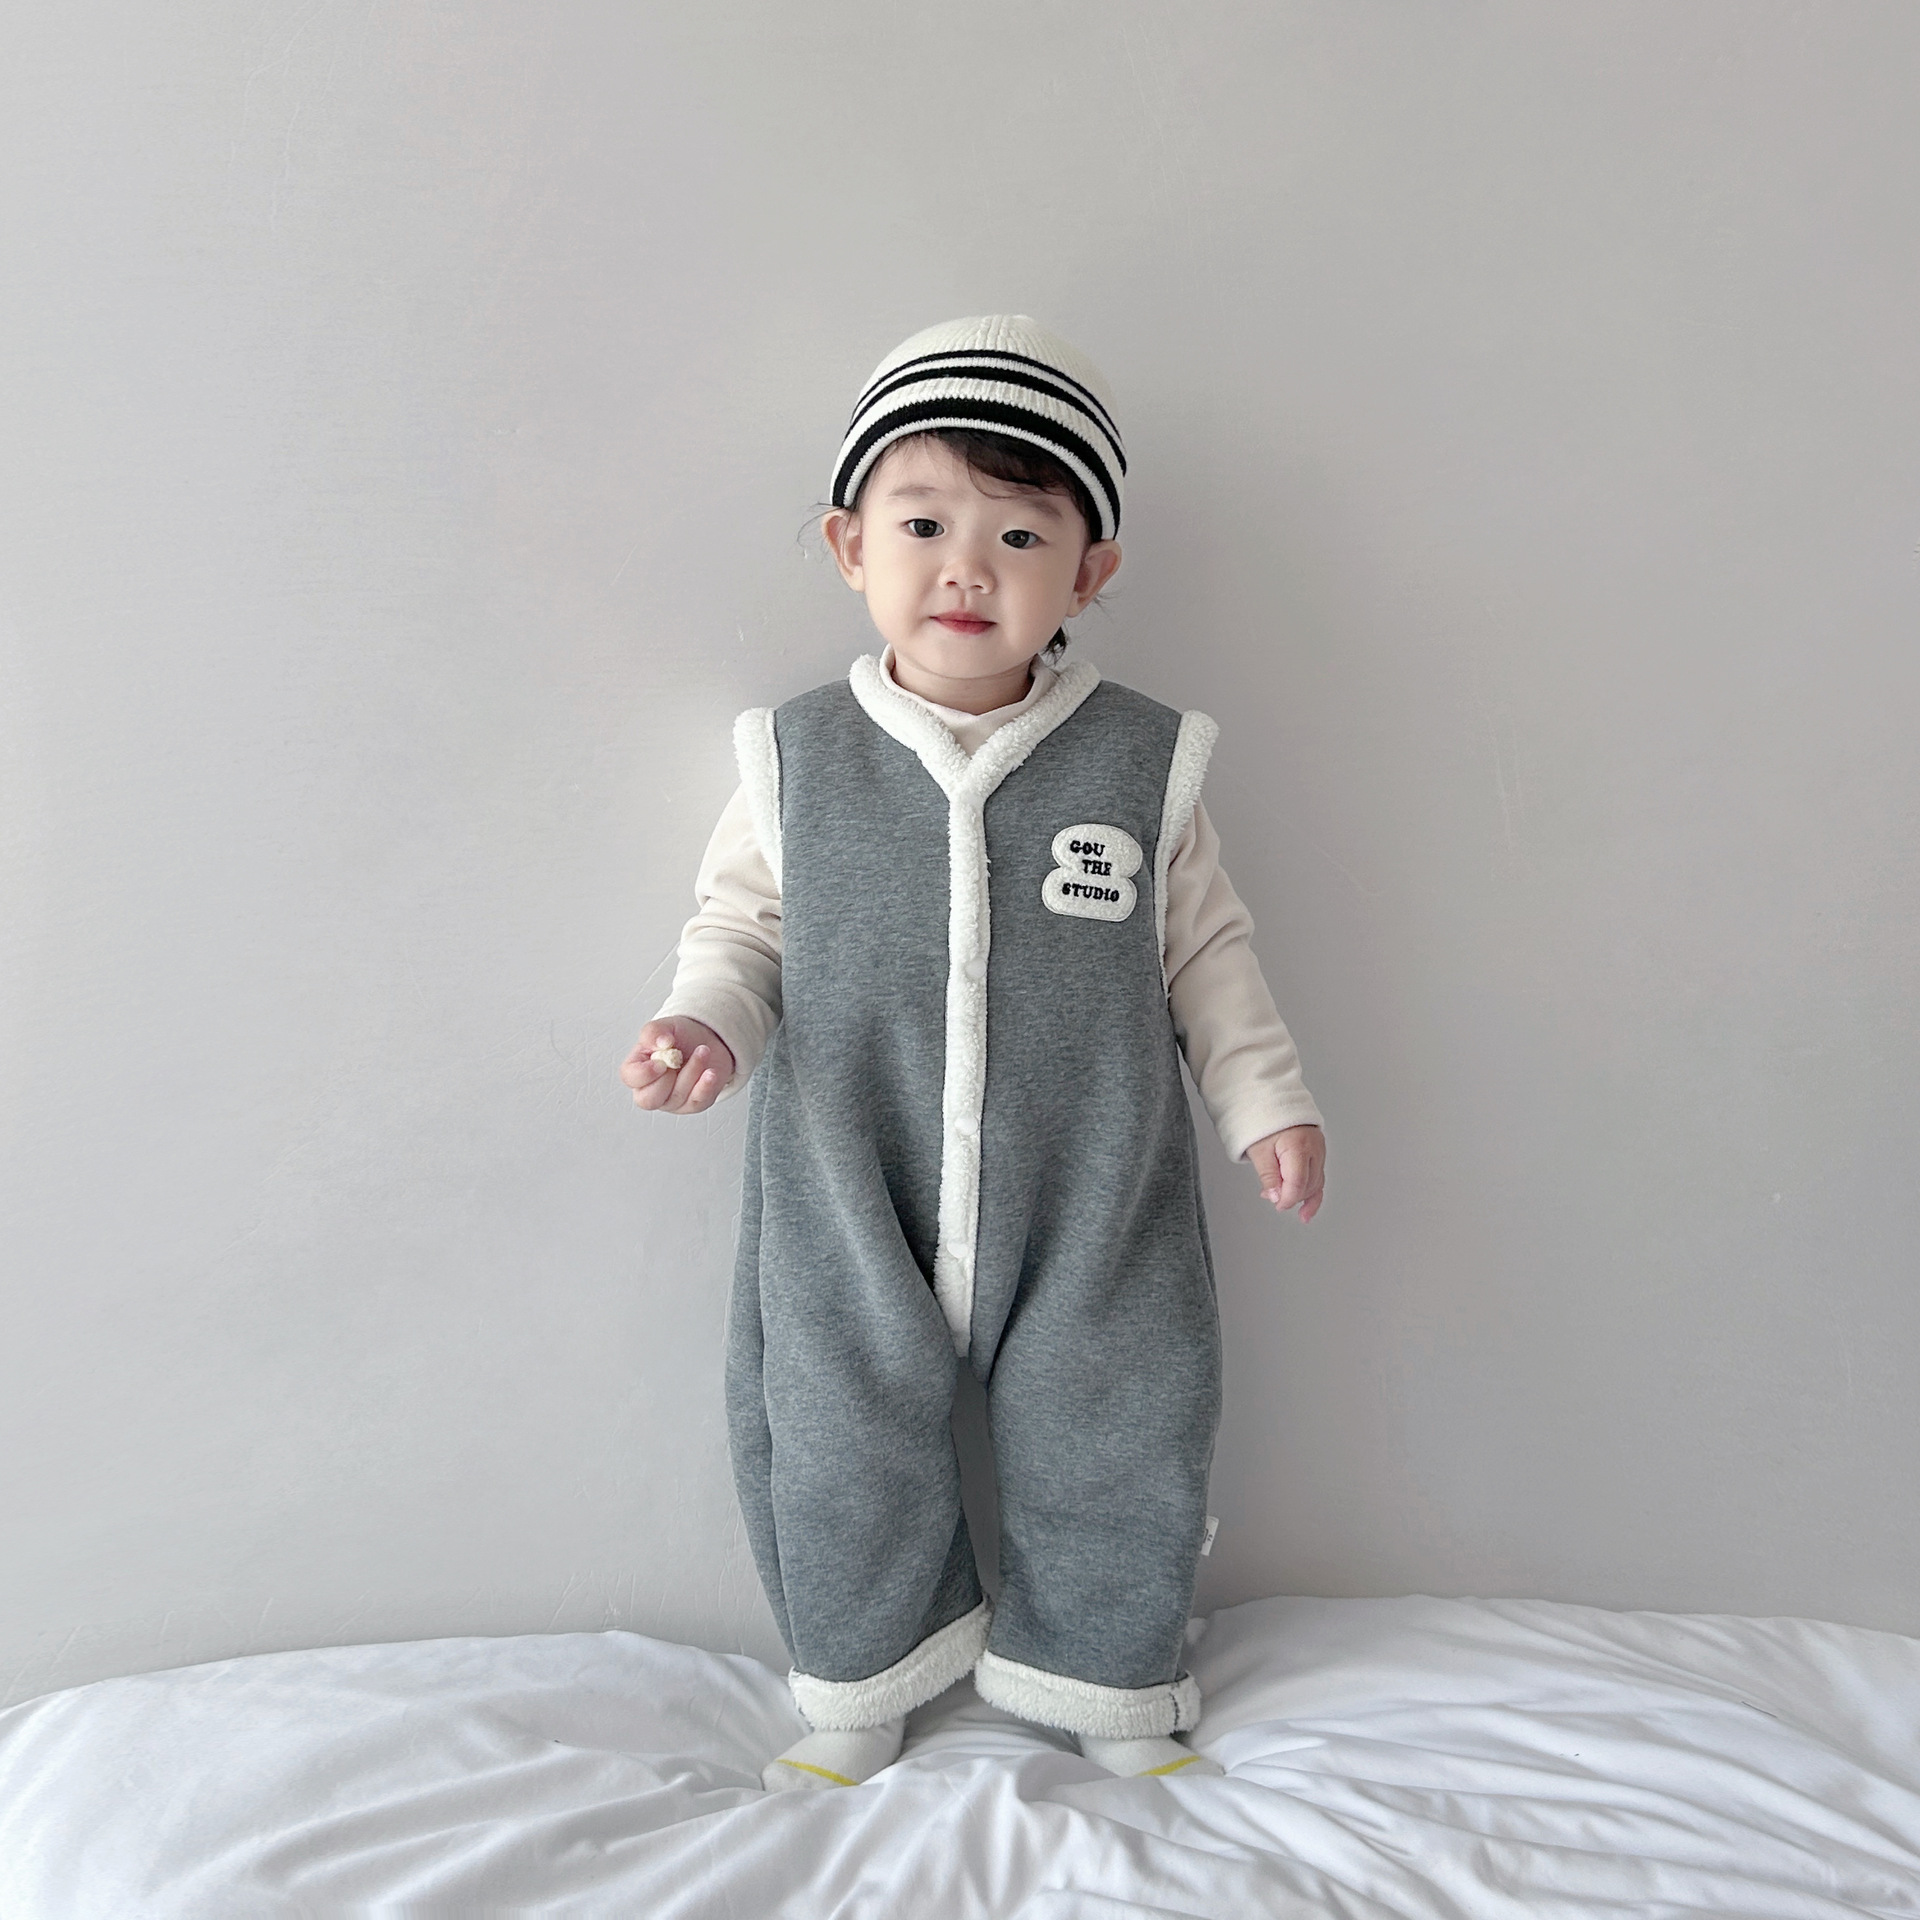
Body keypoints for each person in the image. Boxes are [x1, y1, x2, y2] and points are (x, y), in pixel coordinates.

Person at [623, 315, 1326, 1792]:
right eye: (923, 524)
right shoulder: (798, 758)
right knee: (833, 1429)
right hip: (847, 1174)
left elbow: (1207, 953)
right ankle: (859, 1678)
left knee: (1122, 1424)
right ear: (849, 546)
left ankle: (1113, 1687)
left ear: (1090, 573)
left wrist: (1267, 1101)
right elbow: (742, 930)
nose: (966, 569)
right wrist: (704, 1026)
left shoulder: (1141, 761)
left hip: (1096, 1185)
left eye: (1019, 535)